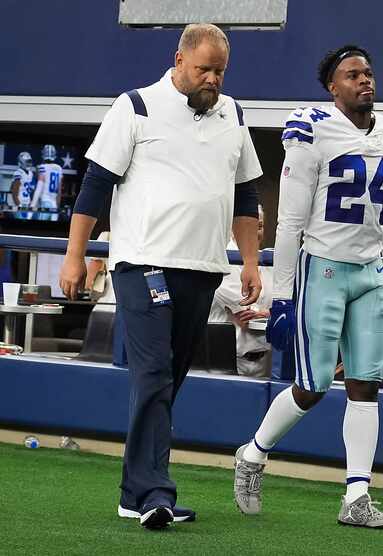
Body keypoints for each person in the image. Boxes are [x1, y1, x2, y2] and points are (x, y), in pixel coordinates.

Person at [58, 23, 263, 529]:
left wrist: (252, 261)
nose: (212, 79)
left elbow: (245, 197)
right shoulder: (135, 105)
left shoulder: (234, 114)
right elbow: (96, 185)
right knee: (151, 373)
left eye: (219, 71)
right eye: (203, 69)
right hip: (143, 260)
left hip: (204, 267)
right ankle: (155, 493)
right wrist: (74, 255)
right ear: (179, 60)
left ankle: (135, 491)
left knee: (168, 380)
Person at [233, 45, 383, 530]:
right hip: (324, 269)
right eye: (352, 74)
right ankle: (252, 454)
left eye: (369, 73)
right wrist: (284, 296)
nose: (364, 80)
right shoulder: (312, 128)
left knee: (366, 385)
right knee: (312, 386)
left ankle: (357, 497)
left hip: (371, 271)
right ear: (332, 87)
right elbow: (290, 222)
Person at [210, 205, 273, 378]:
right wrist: (272, 314)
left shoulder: (270, 262)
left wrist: (269, 313)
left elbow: (288, 307)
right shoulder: (221, 259)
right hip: (226, 363)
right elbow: (247, 317)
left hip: (266, 362)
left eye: (259, 226)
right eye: (249, 226)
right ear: (232, 228)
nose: (255, 232)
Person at [31, 144, 63, 221]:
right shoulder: (59, 168)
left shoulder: (42, 167)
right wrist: (57, 206)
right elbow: (59, 190)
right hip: (54, 204)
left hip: (45, 203)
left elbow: (39, 187)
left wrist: (32, 205)